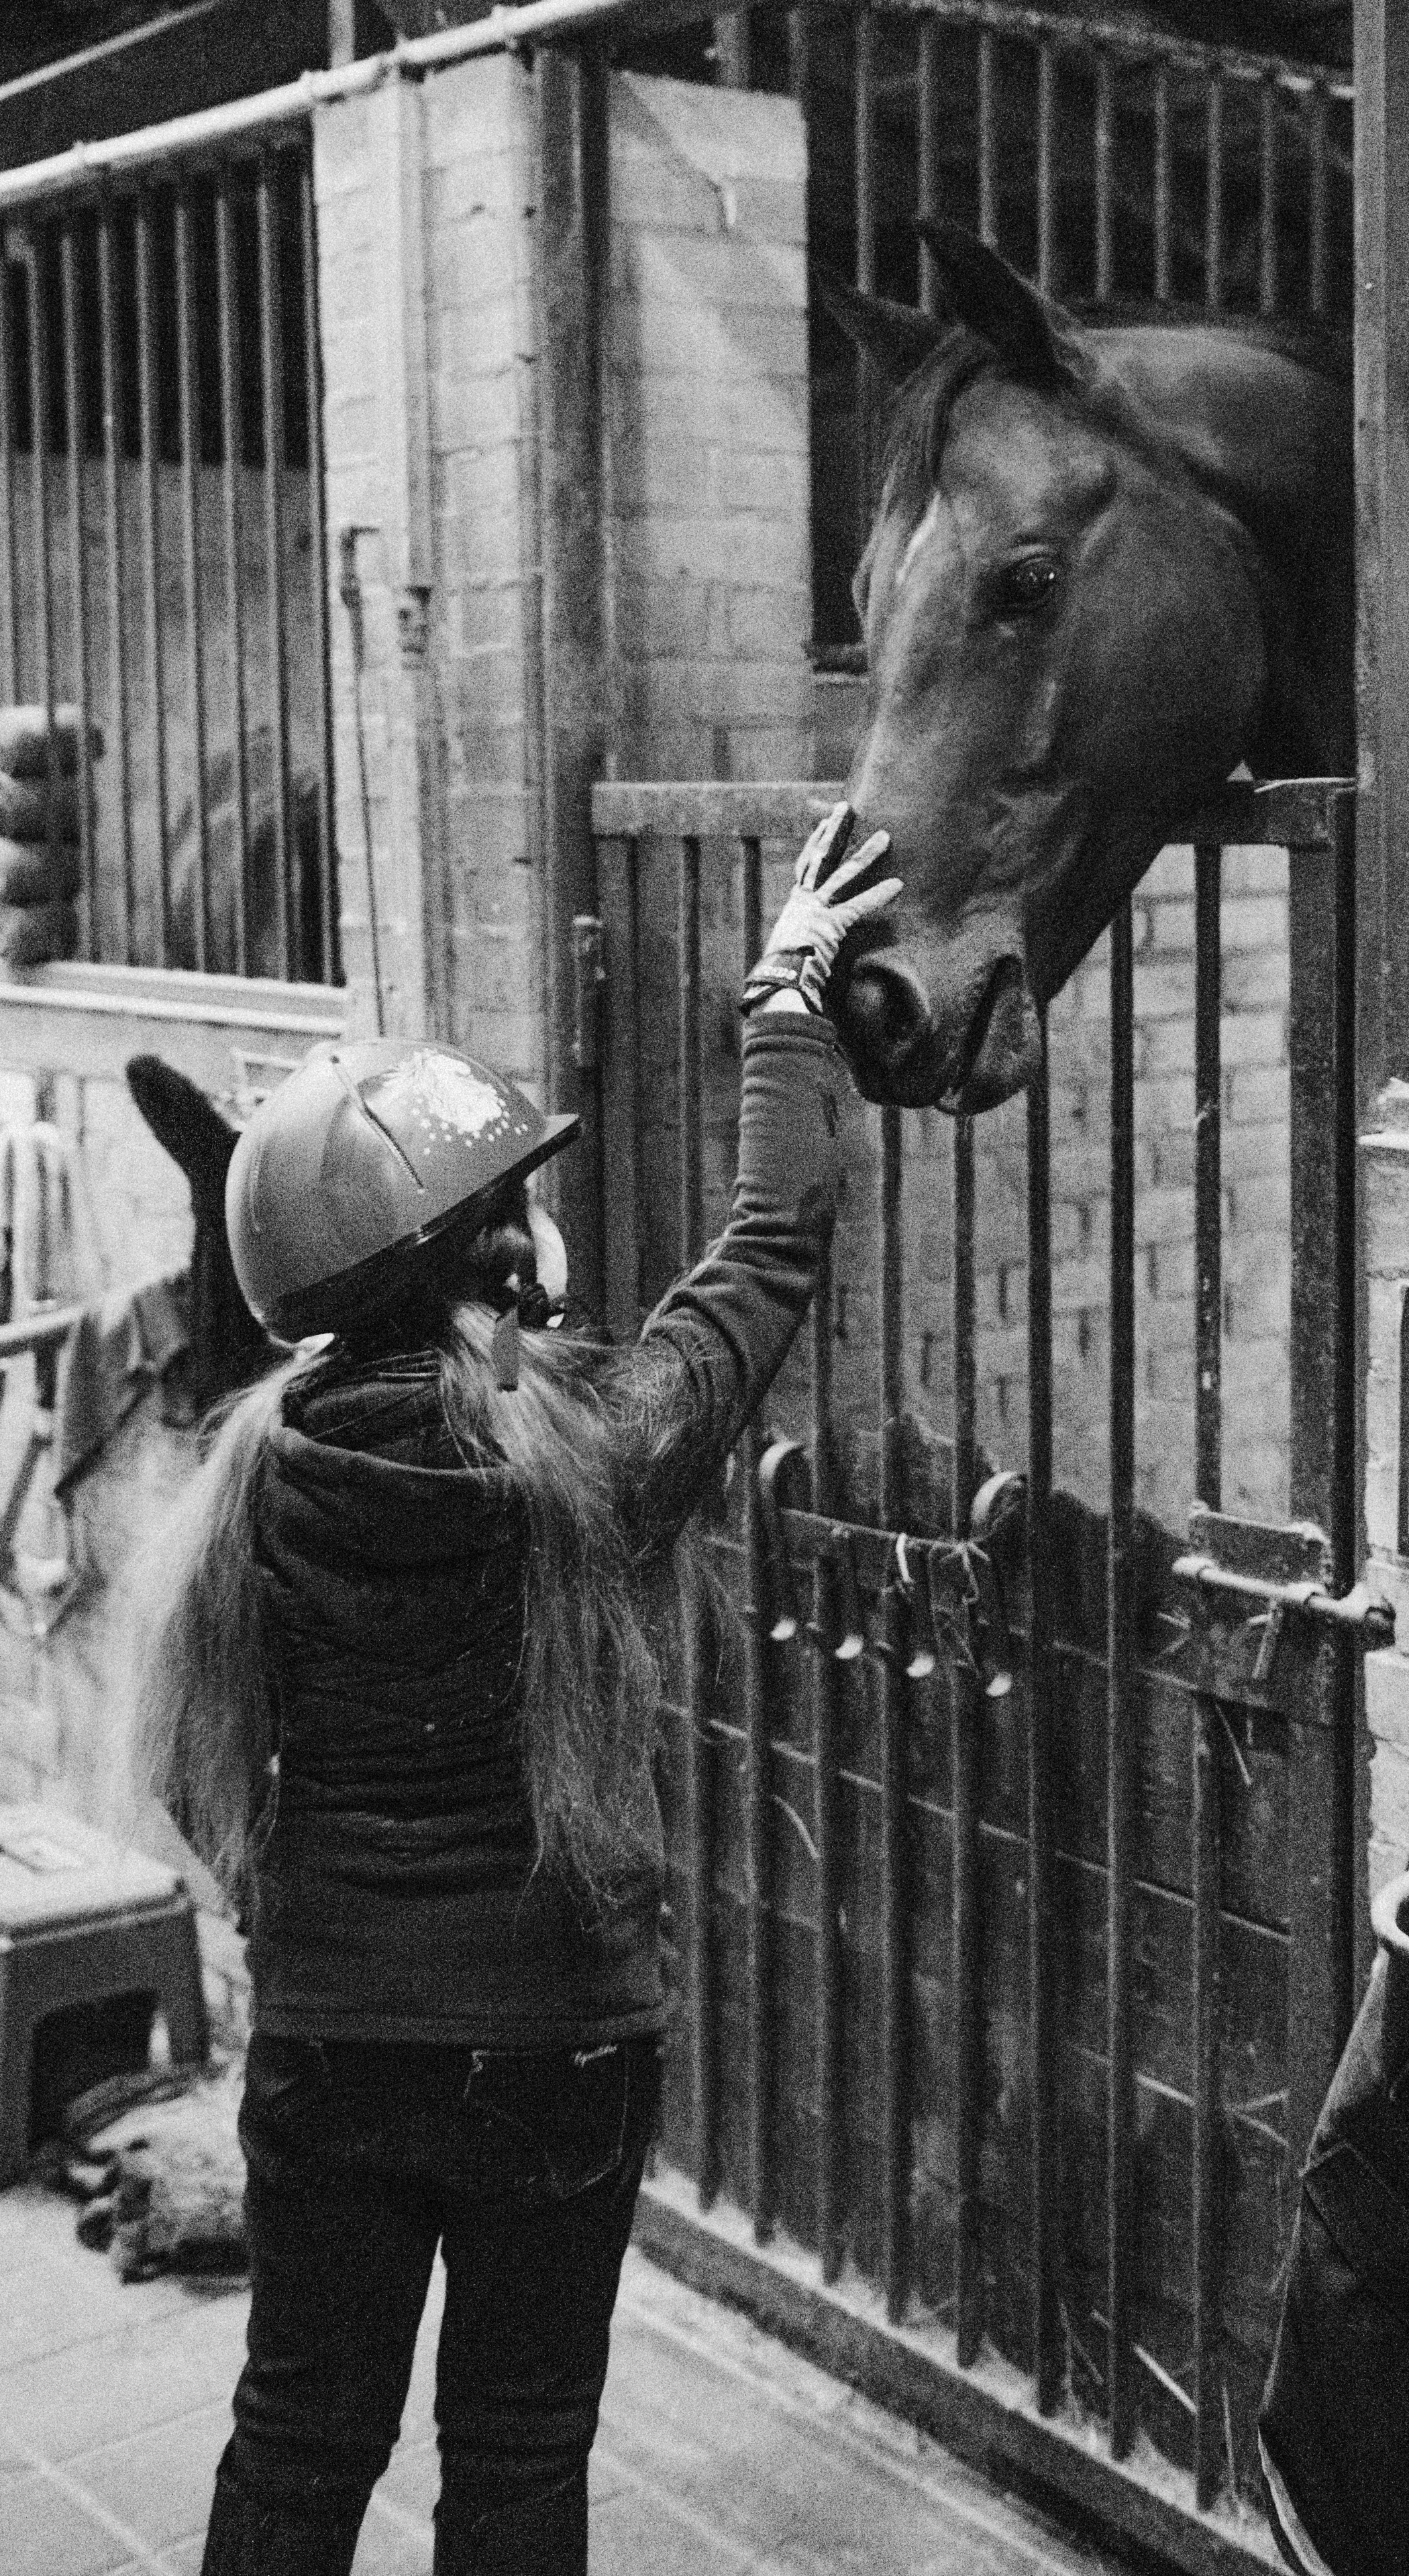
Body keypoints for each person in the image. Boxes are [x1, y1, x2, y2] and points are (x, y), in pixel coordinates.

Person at [133, 806, 898, 2576]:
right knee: (520, 2459)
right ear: (499, 1259)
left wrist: (301, 1914)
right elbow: (775, 1237)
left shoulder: (253, 1471)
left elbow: (190, 1770)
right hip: (558, 2042)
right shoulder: (601, 1453)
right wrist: (785, 989)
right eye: (520, 1206)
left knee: (297, 2449)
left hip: (331, 2043)